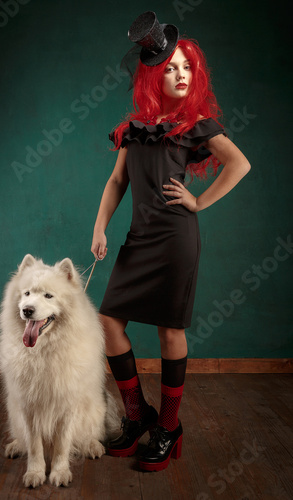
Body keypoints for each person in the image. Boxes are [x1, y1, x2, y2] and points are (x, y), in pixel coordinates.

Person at [91, 11, 250, 472]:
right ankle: (138, 416)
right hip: (139, 239)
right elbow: (116, 182)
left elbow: (239, 165)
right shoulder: (135, 129)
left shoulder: (196, 122)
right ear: (152, 76)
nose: (181, 75)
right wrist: (100, 227)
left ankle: (170, 426)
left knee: (169, 330)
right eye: (171, 68)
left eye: (187, 67)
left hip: (176, 238)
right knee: (109, 322)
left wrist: (198, 202)